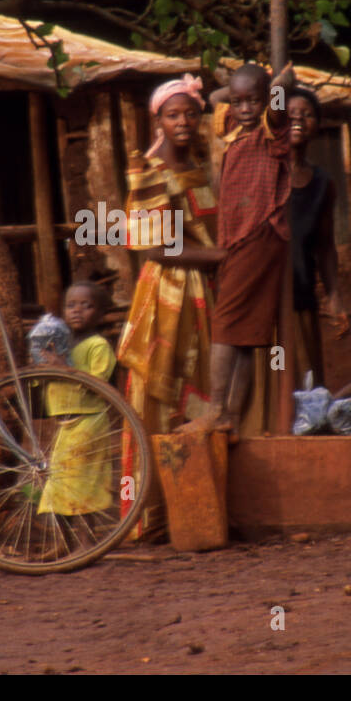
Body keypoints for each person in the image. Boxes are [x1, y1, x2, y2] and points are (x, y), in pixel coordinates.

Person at [117, 74, 224, 535]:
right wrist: (222, 256)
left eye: (190, 113)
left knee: (200, 389)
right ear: (157, 119)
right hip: (168, 294)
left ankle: (193, 506)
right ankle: (149, 514)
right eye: (172, 114)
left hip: (203, 294)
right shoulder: (149, 170)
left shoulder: (198, 163)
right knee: (158, 395)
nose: (183, 121)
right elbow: (156, 250)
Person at [183, 63, 292, 434]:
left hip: (257, 234)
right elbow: (216, 98)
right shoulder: (234, 128)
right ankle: (230, 414)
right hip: (239, 239)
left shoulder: (270, 130)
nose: (243, 108)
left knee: (226, 325)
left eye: (252, 101)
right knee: (245, 335)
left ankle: (215, 409)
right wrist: (237, 85)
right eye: (238, 101)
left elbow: (276, 107)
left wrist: (277, 85)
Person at [36, 282, 117, 543]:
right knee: (58, 486)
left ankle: (86, 543)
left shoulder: (98, 345)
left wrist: (63, 367)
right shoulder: (60, 345)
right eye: (71, 305)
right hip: (64, 424)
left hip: (88, 422)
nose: (77, 311)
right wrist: (42, 364)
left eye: (87, 305)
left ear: (101, 314)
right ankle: (64, 545)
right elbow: (43, 378)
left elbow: (99, 383)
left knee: (81, 485)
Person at [287, 86, 347, 385]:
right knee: (272, 374)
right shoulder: (263, 170)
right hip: (265, 293)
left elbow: (325, 246)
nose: (298, 119)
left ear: (318, 126)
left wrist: (333, 295)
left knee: (305, 378)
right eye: (290, 113)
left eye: (307, 114)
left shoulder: (323, 183)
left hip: (302, 291)